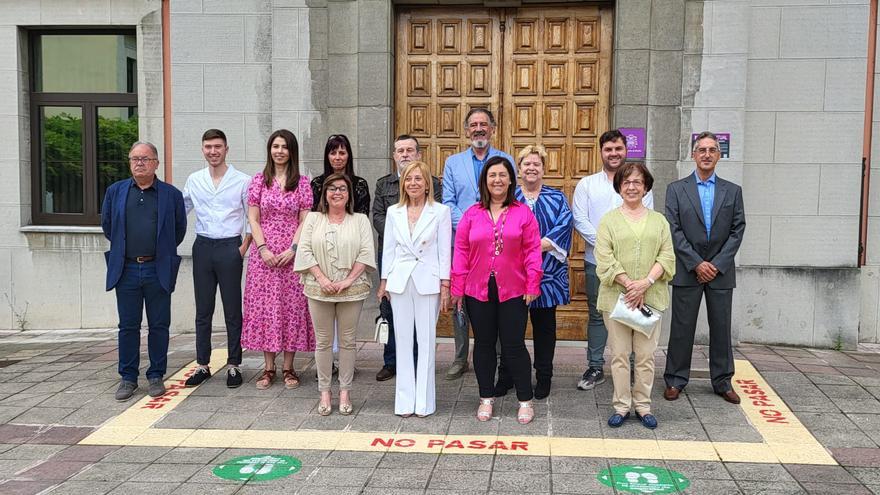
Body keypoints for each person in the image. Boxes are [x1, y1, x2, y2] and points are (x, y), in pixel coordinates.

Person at [451, 156, 543, 424]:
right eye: (492, 175)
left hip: (513, 289)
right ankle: (486, 398)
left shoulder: (522, 213)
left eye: (503, 175)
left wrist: (533, 283)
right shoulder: (472, 214)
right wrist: (458, 287)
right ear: (485, 181)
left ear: (511, 180)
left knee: (514, 346)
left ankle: (525, 400)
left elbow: (532, 251)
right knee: (483, 345)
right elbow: (461, 252)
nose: (498, 180)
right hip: (477, 290)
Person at [663, 131, 746, 405]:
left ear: (719, 156)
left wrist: (717, 264)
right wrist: (697, 263)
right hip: (688, 269)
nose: (707, 154)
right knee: (681, 327)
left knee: (721, 328)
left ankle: (722, 381)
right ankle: (675, 379)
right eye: (702, 150)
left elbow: (737, 230)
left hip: (721, 272)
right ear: (693, 154)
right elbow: (673, 229)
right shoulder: (676, 189)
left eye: (713, 150)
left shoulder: (733, 191)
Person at [101, 141, 186, 401]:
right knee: (128, 325)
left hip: (156, 267)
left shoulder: (170, 194)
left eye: (145, 159)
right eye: (135, 158)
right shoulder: (116, 192)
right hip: (125, 268)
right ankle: (128, 377)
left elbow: (178, 230)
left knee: (159, 325)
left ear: (156, 163)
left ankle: (156, 374)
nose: (139, 163)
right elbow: (107, 225)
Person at [572, 129, 654, 391]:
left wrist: (622, 247)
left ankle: (629, 365)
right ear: (601, 152)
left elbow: (647, 217)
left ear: (625, 150)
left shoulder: (638, 183)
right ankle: (595, 366)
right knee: (597, 315)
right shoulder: (587, 184)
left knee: (630, 313)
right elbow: (580, 219)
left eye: (618, 148)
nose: (613, 153)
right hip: (597, 261)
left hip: (634, 265)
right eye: (608, 149)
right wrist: (607, 246)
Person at [594, 162, 674, 429]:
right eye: (626, 182)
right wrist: (630, 285)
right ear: (619, 187)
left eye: (637, 182)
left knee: (645, 356)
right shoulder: (608, 220)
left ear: (646, 187)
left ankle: (643, 405)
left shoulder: (659, 221)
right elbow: (603, 258)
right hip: (617, 300)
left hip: (650, 299)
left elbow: (667, 255)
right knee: (619, 354)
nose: (631, 187)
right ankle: (621, 405)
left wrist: (646, 283)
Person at [442, 108, 514, 380]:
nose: (479, 129)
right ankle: (461, 357)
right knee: (460, 299)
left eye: (484, 124)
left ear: (493, 129)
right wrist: (471, 227)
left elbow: (511, 199)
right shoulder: (453, 162)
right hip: (463, 243)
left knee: (494, 296)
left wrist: (491, 228)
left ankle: (495, 356)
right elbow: (448, 201)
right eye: (474, 125)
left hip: (498, 246)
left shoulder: (505, 160)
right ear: (466, 130)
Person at [295, 173, 376, 416]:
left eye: (342, 188)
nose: (337, 192)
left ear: (349, 194)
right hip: (319, 289)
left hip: (352, 289)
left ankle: (345, 392)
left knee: (349, 341)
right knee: (323, 341)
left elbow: (366, 251)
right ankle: (324, 392)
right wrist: (322, 278)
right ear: (324, 194)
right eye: (332, 189)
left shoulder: (360, 220)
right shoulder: (312, 219)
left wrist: (348, 280)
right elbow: (305, 249)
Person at [241, 129, 314, 390]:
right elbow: (253, 218)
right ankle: (268, 367)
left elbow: (305, 219)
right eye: (275, 146)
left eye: (284, 147)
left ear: (292, 151)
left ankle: (289, 367)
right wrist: (262, 249)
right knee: (266, 309)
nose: (279, 151)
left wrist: (294, 248)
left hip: (292, 256)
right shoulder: (259, 181)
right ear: (270, 150)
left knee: (291, 308)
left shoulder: (302, 182)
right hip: (264, 257)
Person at [377, 161, 451, 417]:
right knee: (404, 341)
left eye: (418, 179)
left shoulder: (440, 212)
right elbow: (388, 248)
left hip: (428, 281)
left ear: (427, 183)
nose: (413, 184)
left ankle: (425, 402)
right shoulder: (393, 212)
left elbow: (444, 250)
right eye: (409, 179)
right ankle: (404, 401)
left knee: (427, 341)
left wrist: (445, 284)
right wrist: (384, 280)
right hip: (400, 281)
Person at [182, 129, 252, 388]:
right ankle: (202, 364)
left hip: (230, 247)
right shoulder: (194, 179)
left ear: (226, 149)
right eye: (208, 147)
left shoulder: (242, 180)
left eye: (218, 146)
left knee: (232, 309)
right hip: (202, 246)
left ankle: (234, 364)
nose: (213, 151)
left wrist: (243, 247)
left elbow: (251, 216)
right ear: (202, 149)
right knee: (203, 309)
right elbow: (181, 210)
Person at [372, 135, 442, 381]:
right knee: (390, 309)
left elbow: (435, 218)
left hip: (424, 260)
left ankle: (417, 361)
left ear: (418, 154)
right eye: (399, 150)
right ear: (394, 156)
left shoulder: (433, 183)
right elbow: (378, 215)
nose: (404, 154)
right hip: (394, 254)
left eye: (409, 150)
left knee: (421, 317)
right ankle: (392, 361)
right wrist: (400, 236)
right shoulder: (384, 184)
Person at [513, 145, 573, 400]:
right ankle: (509, 375)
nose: (531, 168)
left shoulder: (556, 197)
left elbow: (565, 224)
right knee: (512, 328)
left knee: (544, 328)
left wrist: (533, 246)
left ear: (544, 169)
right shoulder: (509, 196)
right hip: (513, 274)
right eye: (527, 164)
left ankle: (544, 376)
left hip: (548, 274)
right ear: (519, 168)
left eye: (536, 164)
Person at [311, 134, 371, 215]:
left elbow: (363, 217)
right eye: (333, 153)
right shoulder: (317, 183)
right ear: (327, 156)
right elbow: (313, 216)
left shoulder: (359, 184)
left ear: (348, 156)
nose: (337, 157)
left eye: (342, 153)